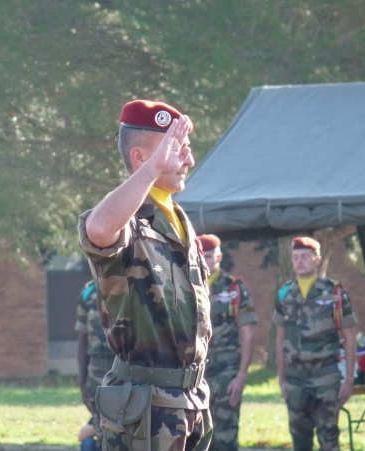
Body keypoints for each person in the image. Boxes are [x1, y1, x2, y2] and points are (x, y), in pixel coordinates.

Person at [78, 99, 212, 451]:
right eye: (177, 149)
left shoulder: (178, 218)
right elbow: (99, 228)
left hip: (189, 402)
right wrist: (153, 170)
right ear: (141, 158)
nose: (189, 160)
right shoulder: (130, 220)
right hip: (145, 409)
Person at [273, 236, 357, 451]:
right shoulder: (284, 294)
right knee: (300, 439)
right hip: (295, 378)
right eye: (295, 257)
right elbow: (280, 338)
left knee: (329, 437)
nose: (299, 262)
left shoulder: (335, 293)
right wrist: (281, 378)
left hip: (325, 377)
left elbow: (349, 336)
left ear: (317, 259)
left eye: (305, 257)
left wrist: (348, 379)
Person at [197, 234, 257, 451]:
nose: (205, 260)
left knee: (225, 438)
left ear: (219, 257)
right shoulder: (185, 288)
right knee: (194, 439)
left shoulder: (234, 289)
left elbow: (248, 334)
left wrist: (241, 376)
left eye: (210, 256)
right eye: (201, 255)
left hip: (225, 373)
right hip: (193, 376)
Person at [75, 279, 115, 450]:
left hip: (127, 378)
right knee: (101, 436)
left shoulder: (133, 284)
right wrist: (82, 381)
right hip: (97, 380)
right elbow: (82, 339)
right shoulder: (88, 292)